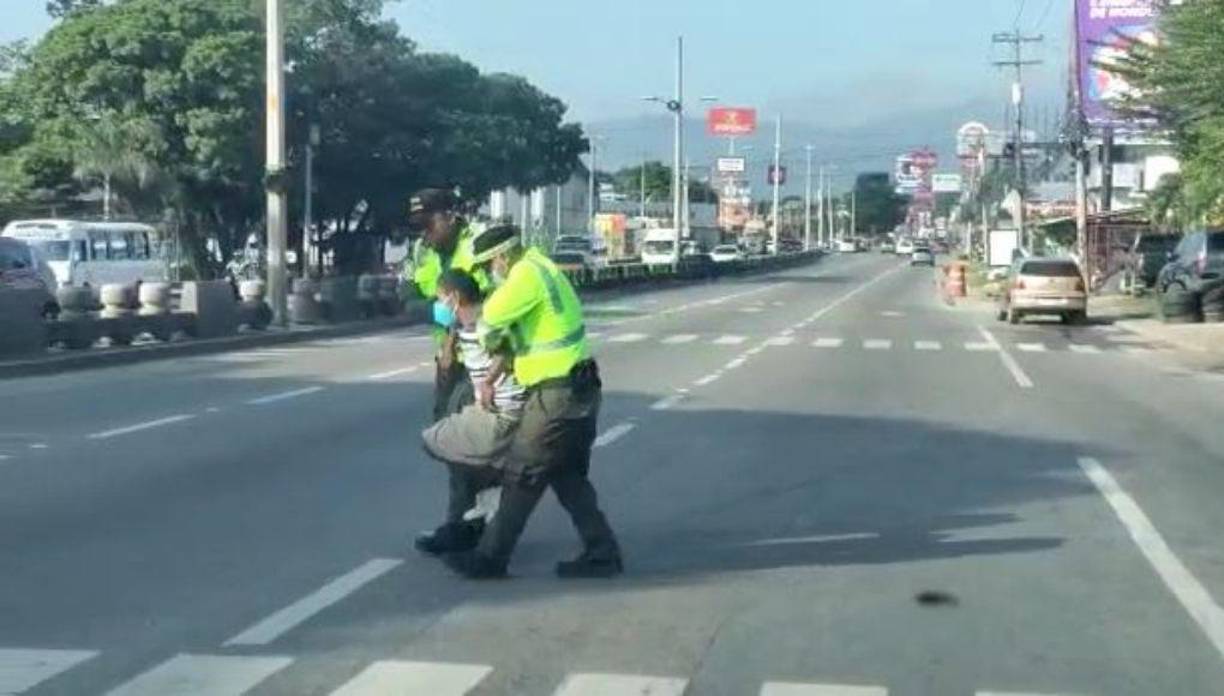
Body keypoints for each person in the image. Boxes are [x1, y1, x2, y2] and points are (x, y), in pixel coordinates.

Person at [441, 224, 623, 580]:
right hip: (578, 387)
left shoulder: (524, 277)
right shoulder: (543, 267)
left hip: (554, 393)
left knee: (521, 474)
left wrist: (494, 343)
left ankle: (491, 559)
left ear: (503, 256)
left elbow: (489, 323)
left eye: (489, 264)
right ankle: (603, 552)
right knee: (567, 476)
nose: (489, 272)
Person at [414, 268, 524, 555]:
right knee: (456, 451)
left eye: (440, 299)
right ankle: (473, 515)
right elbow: (450, 360)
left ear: (454, 297)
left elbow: (507, 349)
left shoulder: (485, 322)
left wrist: (488, 382)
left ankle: (485, 504)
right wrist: (450, 334)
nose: (438, 306)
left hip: (499, 411)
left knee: (435, 440)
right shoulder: (464, 327)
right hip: (483, 405)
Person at [403, 188, 490, 421]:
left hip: (485, 357)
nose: (424, 234)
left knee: (480, 433)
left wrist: (456, 311)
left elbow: (496, 300)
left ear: (450, 217)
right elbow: (408, 299)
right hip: (448, 360)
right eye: (418, 227)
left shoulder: (480, 244)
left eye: (428, 225)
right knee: (444, 429)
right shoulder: (421, 250)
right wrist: (444, 311)